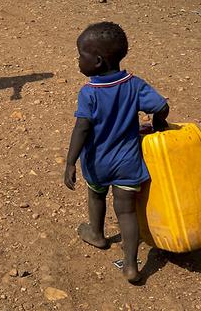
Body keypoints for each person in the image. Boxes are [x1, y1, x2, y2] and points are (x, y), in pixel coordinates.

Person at [63, 22, 170, 284]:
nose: (77, 60)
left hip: (98, 163)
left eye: (81, 55)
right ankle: (131, 266)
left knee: (96, 196)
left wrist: (70, 162)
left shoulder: (90, 92)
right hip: (127, 164)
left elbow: (82, 129)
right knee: (126, 212)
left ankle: (97, 234)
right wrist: (158, 124)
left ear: (97, 61)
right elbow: (161, 106)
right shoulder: (134, 84)